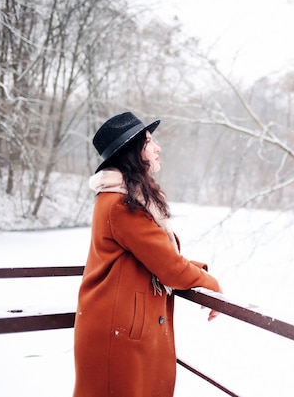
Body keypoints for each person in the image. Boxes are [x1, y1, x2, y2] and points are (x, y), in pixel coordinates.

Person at [73, 111, 222, 397]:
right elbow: (168, 267)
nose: (157, 148)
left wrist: (198, 270)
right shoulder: (122, 205)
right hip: (118, 333)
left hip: (120, 325)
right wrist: (209, 282)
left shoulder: (122, 198)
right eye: (149, 142)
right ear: (132, 152)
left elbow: (153, 255)